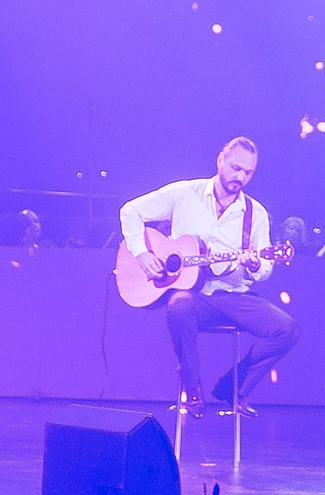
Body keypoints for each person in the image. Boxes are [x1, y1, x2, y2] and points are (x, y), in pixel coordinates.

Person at [121, 136, 299, 407]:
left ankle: (231, 388)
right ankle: (192, 389)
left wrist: (254, 265)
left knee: (287, 330)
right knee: (179, 307)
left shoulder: (256, 213)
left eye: (248, 172)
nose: (240, 176)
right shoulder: (184, 193)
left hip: (235, 296)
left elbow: (265, 269)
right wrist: (141, 253)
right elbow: (130, 211)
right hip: (192, 297)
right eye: (235, 168)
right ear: (220, 160)